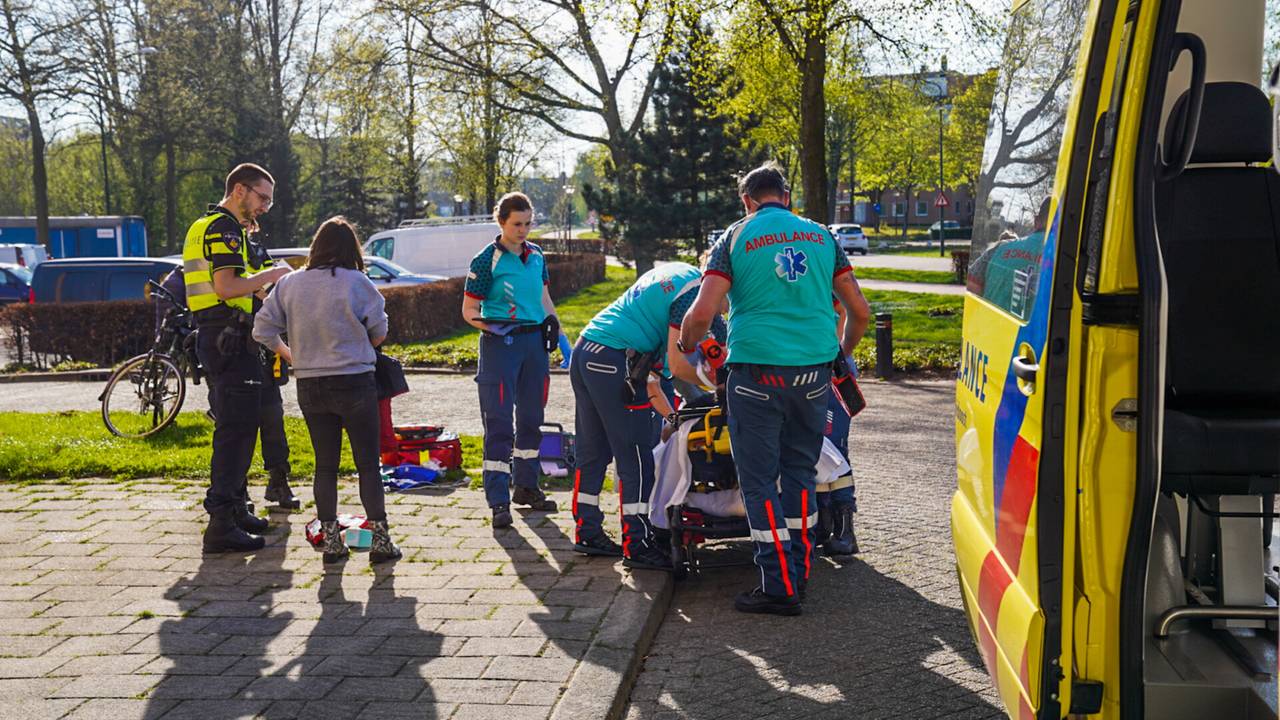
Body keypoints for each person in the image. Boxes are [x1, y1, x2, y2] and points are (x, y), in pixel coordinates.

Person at [680, 161, 870, 616]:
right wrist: (839, 354)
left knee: (760, 481)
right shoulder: (823, 236)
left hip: (756, 377)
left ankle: (779, 584)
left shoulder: (734, 238)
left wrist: (688, 343)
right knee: (801, 473)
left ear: (747, 201)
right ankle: (799, 571)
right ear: (786, 196)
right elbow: (859, 311)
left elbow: (704, 312)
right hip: (813, 375)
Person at [252, 216, 401, 564]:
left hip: (311, 384)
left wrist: (291, 353)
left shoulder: (289, 284)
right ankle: (380, 540)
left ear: (316, 246)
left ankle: (331, 542)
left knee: (325, 465)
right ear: (352, 249)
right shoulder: (358, 282)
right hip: (355, 382)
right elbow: (379, 333)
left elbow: (262, 329)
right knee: (367, 463)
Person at [570, 261, 723, 570]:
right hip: (617, 361)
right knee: (637, 458)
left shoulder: (682, 273)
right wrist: (720, 386)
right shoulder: (691, 297)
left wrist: (675, 414)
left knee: (593, 451)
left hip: (587, 351)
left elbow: (660, 380)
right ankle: (637, 545)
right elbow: (677, 368)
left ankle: (587, 530)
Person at [183, 163, 291, 553]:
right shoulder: (223, 227)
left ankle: (236, 510)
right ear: (241, 190)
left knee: (242, 423)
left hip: (226, 336)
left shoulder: (210, 226)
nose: (265, 207)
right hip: (226, 334)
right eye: (263, 198)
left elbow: (240, 285)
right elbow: (227, 287)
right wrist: (274, 274)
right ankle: (221, 524)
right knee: (236, 431)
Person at [461, 192, 568, 529]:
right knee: (499, 423)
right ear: (501, 222)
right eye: (516, 224)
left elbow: (544, 297)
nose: (523, 230)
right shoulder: (485, 260)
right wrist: (492, 326)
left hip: (534, 345)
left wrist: (557, 330)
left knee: (532, 419)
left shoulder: (536, 255)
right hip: (500, 346)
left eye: (527, 223)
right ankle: (497, 500)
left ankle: (526, 486)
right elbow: (468, 310)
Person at [243, 224, 298, 510]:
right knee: (237, 424)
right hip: (234, 347)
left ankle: (279, 481)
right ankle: (237, 493)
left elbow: (272, 291)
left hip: (263, 349)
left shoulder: (255, 249)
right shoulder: (219, 246)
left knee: (273, 417)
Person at [815, 298, 858, 556]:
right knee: (817, 451)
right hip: (820, 370)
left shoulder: (822, 270)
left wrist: (836, 351)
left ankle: (845, 531)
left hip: (831, 374)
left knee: (834, 450)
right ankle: (824, 522)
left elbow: (846, 309)